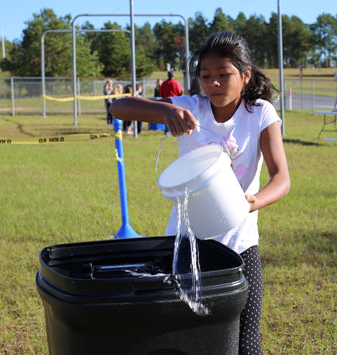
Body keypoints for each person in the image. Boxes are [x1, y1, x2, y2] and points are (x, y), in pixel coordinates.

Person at [110, 32, 290, 355]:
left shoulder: (260, 113)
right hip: (184, 246)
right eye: (206, 76)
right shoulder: (190, 107)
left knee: (246, 345)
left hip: (239, 247)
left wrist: (254, 202)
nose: (214, 84)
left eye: (224, 74)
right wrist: (165, 112)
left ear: (245, 75)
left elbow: (282, 178)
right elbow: (120, 107)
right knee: (183, 341)